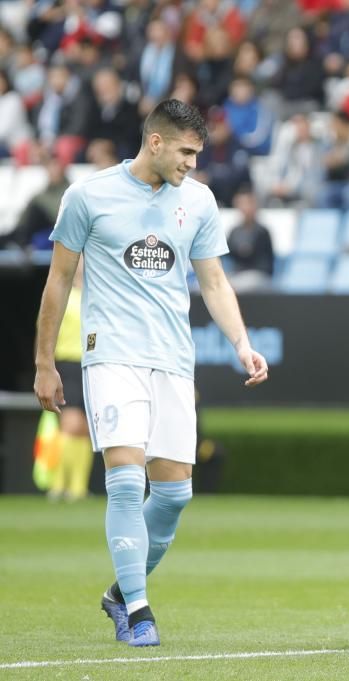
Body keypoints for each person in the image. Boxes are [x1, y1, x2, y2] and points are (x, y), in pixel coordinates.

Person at [33, 99, 269, 647]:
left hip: (173, 360)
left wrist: (242, 343)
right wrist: (45, 362)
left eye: (197, 153)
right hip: (111, 354)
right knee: (123, 483)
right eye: (186, 151)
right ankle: (139, 613)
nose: (192, 162)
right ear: (156, 142)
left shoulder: (201, 201)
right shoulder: (88, 196)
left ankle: (119, 591)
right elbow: (58, 283)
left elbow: (213, 282)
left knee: (173, 496)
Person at [46, 261, 93, 502]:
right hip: (68, 363)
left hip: (92, 364)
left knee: (86, 428)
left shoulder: (97, 296)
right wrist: (45, 366)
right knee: (70, 423)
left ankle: (77, 488)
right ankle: (58, 484)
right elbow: (44, 331)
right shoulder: (62, 295)